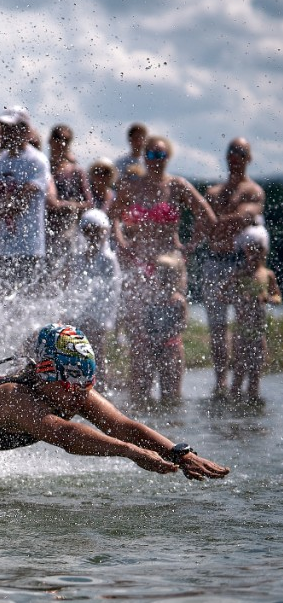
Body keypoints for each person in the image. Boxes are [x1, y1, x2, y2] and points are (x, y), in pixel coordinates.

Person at [0, 324, 230, 482]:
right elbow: (64, 435)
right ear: (44, 372)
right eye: (70, 380)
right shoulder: (14, 398)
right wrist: (130, 453)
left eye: (86, 380)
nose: (78, 392)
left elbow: (121, 425)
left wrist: (179, 452)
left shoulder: (69, 388)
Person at [110, 135, 214, 369]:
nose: (156, 160)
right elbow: (112, 215)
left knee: (171, 331)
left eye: (161, 155)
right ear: (144, 156)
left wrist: (190, 245)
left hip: (170, 262)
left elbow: (205, 215)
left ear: (168, 157)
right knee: (138, 328)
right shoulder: (133, 186)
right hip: (139, 260)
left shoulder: (176, 185)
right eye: (151, 154)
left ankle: (171, 397)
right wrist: (122, 242)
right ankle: (139, 392)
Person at [198, 138, 266, 397]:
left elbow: (237, 220)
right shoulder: (214, 192)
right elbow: (210, 227)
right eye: (232, 152)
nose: (235, 156)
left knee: (245, 327)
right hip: (215, 263)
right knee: (217, 328)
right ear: (226, 157)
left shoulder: (254, 190)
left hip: (240, 264)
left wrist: (221, 221)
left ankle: (245, 384)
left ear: (249, 158)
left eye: (241, 152)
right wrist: (230, 221)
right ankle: (220, 383)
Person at [0, 107, 53, 297]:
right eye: (5, 128)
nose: (8, 133)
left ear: (26, 130)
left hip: (27, 249)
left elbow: (20, 204)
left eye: (13, 128)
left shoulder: (37, 161)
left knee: (26, 306)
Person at [63, 209, 121, 381]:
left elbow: (112, 292)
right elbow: (70, 287)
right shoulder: (77, 257)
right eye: (89, 231)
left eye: (98, 232)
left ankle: (101, 385)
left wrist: (103, 319)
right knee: (77, 351)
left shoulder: (109, 259)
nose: (93, 236)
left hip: (99, 315)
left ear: (106, 233)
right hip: (79, 312)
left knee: (97, 350)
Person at [226, 226, 280, 405]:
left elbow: (277, 297)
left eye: (259, 250)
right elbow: (222, 294)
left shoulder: (267, 275)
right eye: (251, 251)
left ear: (264, 251)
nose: (255, 255)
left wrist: (267, 298)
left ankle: (253, 406)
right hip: (241, 331)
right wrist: (238, 297)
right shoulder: (239, 274)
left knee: (255, 374)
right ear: (246, 251)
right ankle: (234, 404)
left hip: (259, 332)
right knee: (239, 372)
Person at [129, 254, 188, 405]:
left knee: (171, 395)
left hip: (171, 348)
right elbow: (143, 322)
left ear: (175, 277)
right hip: (149, 346)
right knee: (143, 392)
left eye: (168, 273)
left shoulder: (179, 301)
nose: (164, 277)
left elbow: (182, 325)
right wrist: (149, 337)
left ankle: (170, 419)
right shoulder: (150, 297)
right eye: (161, 272)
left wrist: (165, 337)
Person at [45, 124, 92, 271]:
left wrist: (64, 205)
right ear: (50, 140)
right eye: (58, 138)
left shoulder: (77, 172)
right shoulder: (41, 167)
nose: (61, 142)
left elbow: (89, 203)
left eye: (66, 139)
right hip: (42, 228)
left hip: (66, 229)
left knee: (64, 270)